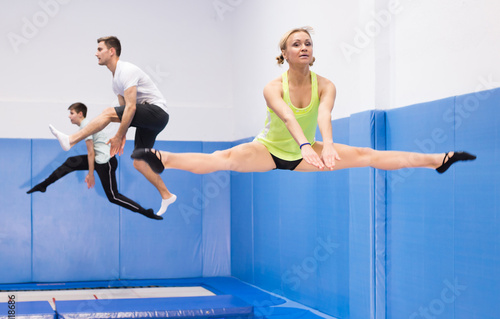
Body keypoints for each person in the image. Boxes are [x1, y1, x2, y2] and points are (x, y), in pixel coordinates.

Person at [131, 27, 476, 178]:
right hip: (269, 150)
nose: (304, 47)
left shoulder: (325, 84)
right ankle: (163, 158)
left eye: (308, 43)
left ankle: (438, 160)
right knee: (224, 160)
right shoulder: (271, 86)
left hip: (307, 152)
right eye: (296, 44)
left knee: (368, 155)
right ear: (284, 54)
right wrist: (306, 145)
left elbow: (324, 114)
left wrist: (324, 146)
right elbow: (287, 117)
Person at [48, 36, 176, 216]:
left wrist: (117, 136)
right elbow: (124, 113)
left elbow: (130, 108)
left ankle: (71, 140)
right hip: (148, 121)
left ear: (112, 51)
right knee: (139, 163)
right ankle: (166, 194)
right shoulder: (115, 81)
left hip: (157, 112)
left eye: (99, 49)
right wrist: (122, 135)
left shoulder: (127, 70)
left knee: (108, 113)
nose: (96, 53)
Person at [29, 102, 163, 220]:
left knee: (114, 197)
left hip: (106, 163)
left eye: (71, 113)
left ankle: (145, 212)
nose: (69, 116)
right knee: (71, 162)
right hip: (99, 159)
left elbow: (91, 152)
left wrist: (91, 174)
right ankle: (44, 185)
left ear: (80, 114)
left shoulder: (86, 127)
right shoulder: (86, 126)